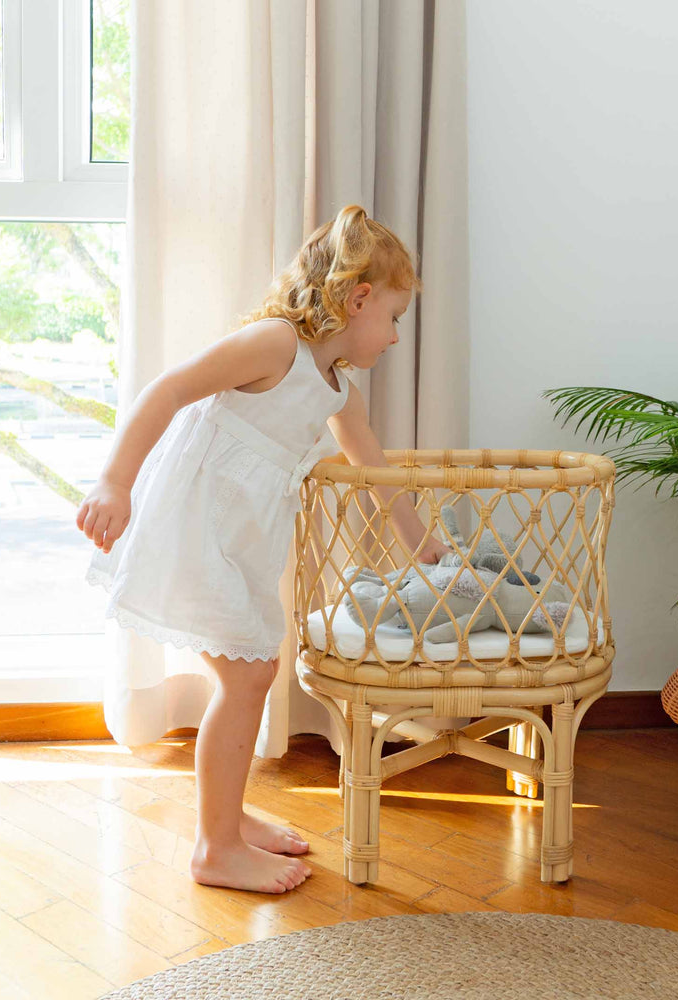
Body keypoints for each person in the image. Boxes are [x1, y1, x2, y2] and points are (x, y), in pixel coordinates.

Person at [76, 204, 450, 895]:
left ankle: (227, 816)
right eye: (394, 317)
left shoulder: (339, 388)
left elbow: (372, 467)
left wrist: (421, 540)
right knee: (247, 679)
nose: (397, 337)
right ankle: (214, 848)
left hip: (242, 541)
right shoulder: (276, 344)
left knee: (250, 675)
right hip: (197, 529)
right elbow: (170, 389)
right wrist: (114, 481)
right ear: (358, 299)